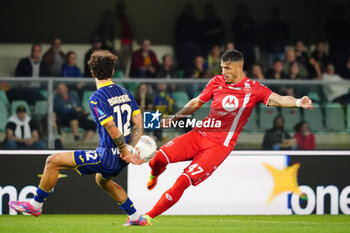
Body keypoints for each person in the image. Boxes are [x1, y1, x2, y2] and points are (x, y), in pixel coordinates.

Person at [138, 50, 312, 224]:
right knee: (157, 158)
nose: (223, 72)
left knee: (182, 181)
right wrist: (174, 118)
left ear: (239, 68)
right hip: (199, 134)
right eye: (222, 67)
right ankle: (155, 174)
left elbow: (280, 100)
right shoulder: (217, 81)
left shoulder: (254, 89)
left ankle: (147, 217)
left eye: (227, 68)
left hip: (219, 146)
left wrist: (298, 102)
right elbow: (197, 101)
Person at [9, 50, 149, 226]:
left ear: (91, 73)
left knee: (53, 161)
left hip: (108, 156)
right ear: (113, 72)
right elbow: (138, 124)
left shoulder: (96, 98)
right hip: (122, 157)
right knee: (102, 180)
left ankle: (35, 205)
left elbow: (112, 128)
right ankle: (136, 217)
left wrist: (124, 151)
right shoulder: (125, 92)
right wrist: (129, 149)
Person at [174, 2, 200, 72]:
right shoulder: (181, 19)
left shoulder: (194, 20)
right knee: (183, 63)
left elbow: (198, 33)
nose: (189, 10)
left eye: (191, 9)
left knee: (192, 63)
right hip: (183, 44)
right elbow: (177, 32)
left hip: (193, 44)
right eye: (188, 8)